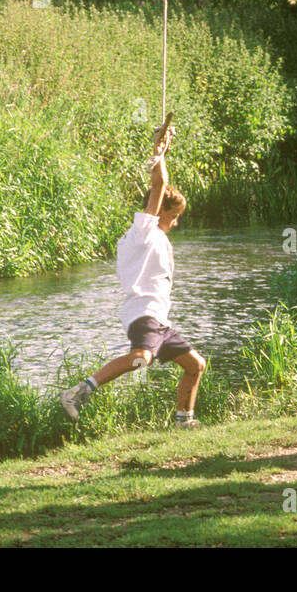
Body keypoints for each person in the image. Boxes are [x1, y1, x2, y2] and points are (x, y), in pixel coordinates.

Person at [60, 121, 206, 426]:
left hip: (158, 319)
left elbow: (162, 188)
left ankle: (184, 420)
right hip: (144, 313)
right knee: (141, 358)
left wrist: (164, 149)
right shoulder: (143, 231)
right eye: (174, 216)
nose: (176, 223)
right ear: (160, 212)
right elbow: (158, 185)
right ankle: (79, 391)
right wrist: (158, 152)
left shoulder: (149, 238)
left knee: (195, 365)